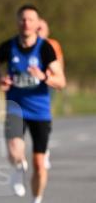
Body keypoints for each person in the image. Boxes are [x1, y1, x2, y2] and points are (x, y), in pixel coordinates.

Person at [0, 4, 66, 203]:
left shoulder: (45, 49)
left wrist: (43, 76)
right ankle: (17, 168)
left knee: (39, 164)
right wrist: (0, 79)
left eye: (30, 20)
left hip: (40, 111)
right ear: (18, 22)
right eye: (22, 19)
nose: (26, 23)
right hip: (15, 107)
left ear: (37, 23)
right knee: (15, 151)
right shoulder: (8, 47)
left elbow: (61, 81)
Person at [36, 18, 65, 170]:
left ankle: (43, 148)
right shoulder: (27, 44)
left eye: (42, 28)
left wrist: (58, 80)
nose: (39, 30)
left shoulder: (53, 45)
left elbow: (59, 64)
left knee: (44, 113)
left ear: (47, 30)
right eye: (37, 27)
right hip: (29, 86)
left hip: (48, 84)